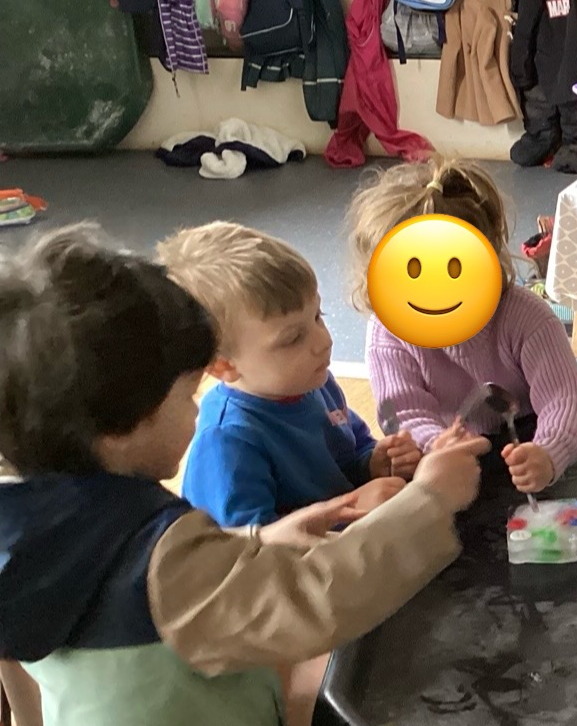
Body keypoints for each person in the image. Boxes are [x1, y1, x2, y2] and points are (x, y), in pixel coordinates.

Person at [0, 223, 491, 726]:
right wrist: (429, 501)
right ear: (119, 427)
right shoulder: (161, 560)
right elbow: (316, 599)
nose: (197, 410)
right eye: (182, 397)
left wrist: (268, 537)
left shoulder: (40, 521)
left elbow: (180, 588)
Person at [349, 156, 577, 495]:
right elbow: (402, 412)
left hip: (525, 444)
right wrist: (436, 445)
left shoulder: (526, 318)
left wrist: (548, 454)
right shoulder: (388, 333)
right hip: (449, 464)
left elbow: (564, 400)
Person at [162, 222, 421, 531]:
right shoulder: (228, 442)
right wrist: (349, 509)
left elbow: (351, 451)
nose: (324, 341)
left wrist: (374, 462)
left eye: (318, 316)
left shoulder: (312, 382)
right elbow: (249, 548)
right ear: (223, 366)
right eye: (293, 338)